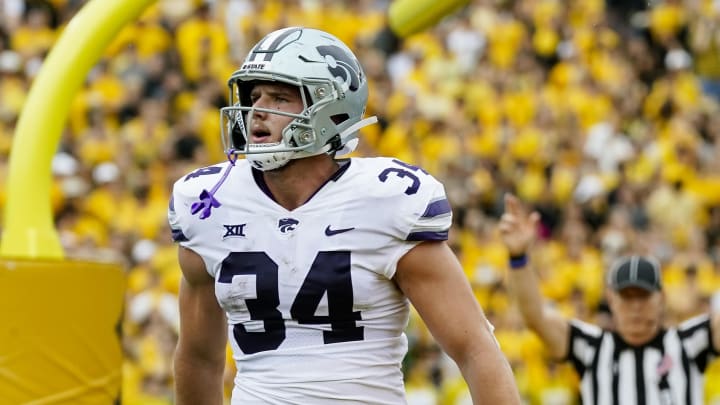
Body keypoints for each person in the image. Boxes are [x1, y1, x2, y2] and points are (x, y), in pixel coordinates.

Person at [167, 26, 521, 405]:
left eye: (279, 97)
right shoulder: (209, 203)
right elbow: (198, 359)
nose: (257, 111)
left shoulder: (386, 200)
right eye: (255, 96)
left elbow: (474, 349)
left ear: (331, 109)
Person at [499, 193, 720, 405]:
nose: (635, 307)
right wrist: (518, 258)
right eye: (626, 297)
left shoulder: (688, 342)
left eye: (643, 297)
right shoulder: (591, 347)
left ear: (661, 298)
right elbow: (535, 317)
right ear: (611, 298)